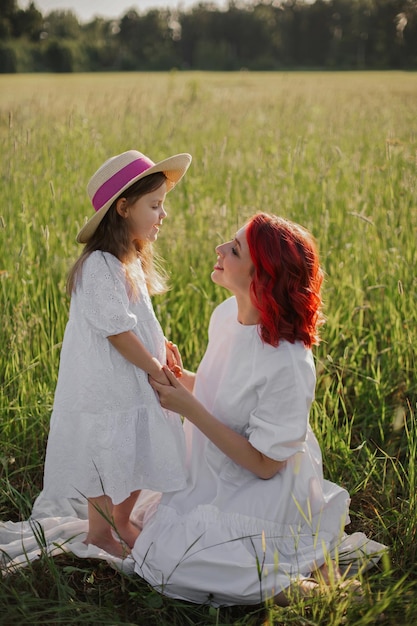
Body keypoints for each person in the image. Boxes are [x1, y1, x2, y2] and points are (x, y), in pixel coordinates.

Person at [131, 212, 385, 605]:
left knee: (172, 559)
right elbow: (222, 396)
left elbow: (267, 465)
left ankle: (304, 592)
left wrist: (189, 409)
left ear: (261, 277)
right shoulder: (225, 316)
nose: (218, 249)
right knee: (159, 541)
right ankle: (310, 570)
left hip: (265, 482)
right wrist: (182, 380)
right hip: (214, 464)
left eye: (233, 250)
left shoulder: (288, 361)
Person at [34, 149, 192, 559]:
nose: (163, 214)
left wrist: (161, 348)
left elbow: (137, 322)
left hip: (132, 381)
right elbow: (117, 333)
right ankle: (101, 530)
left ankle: (120, 521)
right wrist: (154, 366)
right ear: (123, 208)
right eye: (154, 205)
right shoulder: (99, 265)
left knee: (139, 450)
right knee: (108, 454)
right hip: (109, 387)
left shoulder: (130, 260)